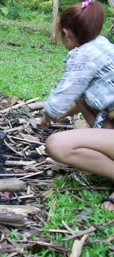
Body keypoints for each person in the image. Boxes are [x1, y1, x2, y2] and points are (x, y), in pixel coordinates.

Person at [41, 0, 114, 210]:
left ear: (67, 33)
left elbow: (61, 97)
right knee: (81, 98)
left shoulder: (82, 56)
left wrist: (48, 116)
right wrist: (63, 115)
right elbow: (81, 98)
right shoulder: (103, 46)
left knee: (56, 144)